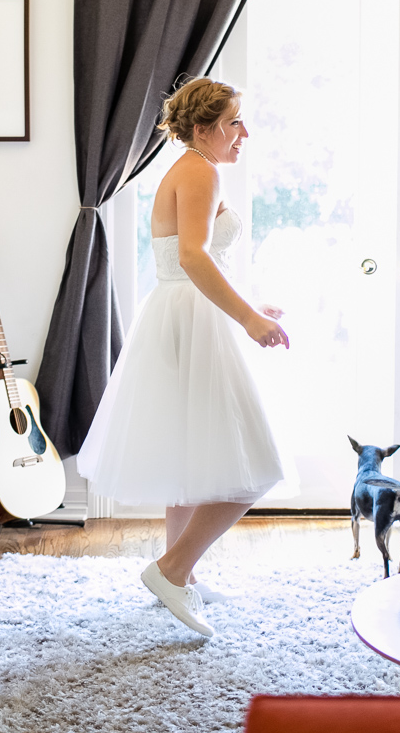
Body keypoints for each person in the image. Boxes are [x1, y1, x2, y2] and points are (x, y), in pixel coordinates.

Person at [76, 76, 288, 637]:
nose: (245, 132)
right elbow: (193, 257)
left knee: (189, 458)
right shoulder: (200, 170)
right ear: (203, 129)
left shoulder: (191, 169)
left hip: (183, 314)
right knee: (251, 465)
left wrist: (247, 302)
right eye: (234, 122)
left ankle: (183, 575)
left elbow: (189, 258)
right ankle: (170, 570)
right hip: (192, 318)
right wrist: (248, 319)